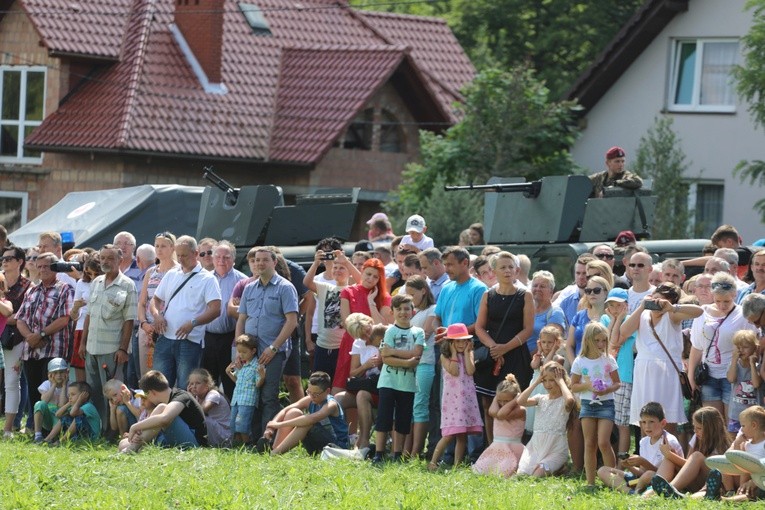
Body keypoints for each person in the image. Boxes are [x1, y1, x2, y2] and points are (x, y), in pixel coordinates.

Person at [621, 283, 703, 428]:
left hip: (667, 372)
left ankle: (669, 449)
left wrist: (672, 307)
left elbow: (699, 311)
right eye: (654, 298)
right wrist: (642, 306)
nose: (655, 303)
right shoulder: (643, 314)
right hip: (643, 370)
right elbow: (624, 331)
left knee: (667, 419)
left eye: (660, 300)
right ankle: (647, 450)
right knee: (644, 419)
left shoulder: (671, 315)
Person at [474, 251, 534, 445]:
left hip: (516, 355)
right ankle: (492, 446)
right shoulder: (488, 295)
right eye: (503, 267)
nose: (507, 271)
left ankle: (515, 446)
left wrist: (505, 348)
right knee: (488, 403)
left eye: (511, 267)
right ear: (494, 271)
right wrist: (493, 347)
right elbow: (479, 327)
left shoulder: (525, 295)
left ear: (516, 270)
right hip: (492, 356)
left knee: (512, 402)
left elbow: (528, 329)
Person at [151, 235, 222, 389]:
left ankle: (182, 413)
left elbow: (216, 309)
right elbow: (155, 300)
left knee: (187, 388)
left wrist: (193, 323)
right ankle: (160, 413)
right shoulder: (171, 274)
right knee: (158, 386)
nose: (181, 259)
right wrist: (157, 316)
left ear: (196, 254)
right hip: (165, 338)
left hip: (190, 341)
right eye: (179, 255)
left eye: (185, 255)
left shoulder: (208, 279)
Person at [80, 244, 138, 431]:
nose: (105, 262)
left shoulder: (128, 285)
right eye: (103, 258)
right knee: (94, 390)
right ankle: (97, 430)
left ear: (120, 260)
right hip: (91, 348)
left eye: (110, 258)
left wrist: (123, 348)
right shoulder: (96, 282)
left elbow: (129, 320)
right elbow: (89, 315)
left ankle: (112, 432)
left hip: (112, 350)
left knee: (113, 393)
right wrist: (82, 343)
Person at [689, 272, 757, 424]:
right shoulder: (702, 312)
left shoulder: (743, 314)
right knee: (712, 423)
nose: (722, 305)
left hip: (733, 376)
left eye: (726, 301)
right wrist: (691, 376)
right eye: (718, 300)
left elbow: (753, 342)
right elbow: (696, 347)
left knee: (731, 423)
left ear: (734, 294)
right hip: (708, 375)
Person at [16, 252, 74, 414]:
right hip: (31, 350)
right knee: (34, 391)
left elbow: (65, 318)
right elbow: (20, 319)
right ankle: (36, 428)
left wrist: (40, 335)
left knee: (51, 391)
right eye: (39, 266)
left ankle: (51, 429)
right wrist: (30, 337)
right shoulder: (32, 291)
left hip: (53, 349)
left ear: (55, 268)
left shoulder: (65, 289)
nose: (42, 270)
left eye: (46, 266)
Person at [371, 294, 424, 464]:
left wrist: (394, 352)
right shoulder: (390, 331)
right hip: (388, 382)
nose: (403, 312)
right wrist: (406, 361)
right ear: (392, 311)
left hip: (407, 384)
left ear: (412, 311)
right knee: (384, 417)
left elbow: (417, 354)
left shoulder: (418, 332)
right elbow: (385, 359)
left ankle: (397, 454)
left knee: (403, 420)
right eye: (399, 309)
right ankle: (379, 454)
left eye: (407, 308)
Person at [570, 322, 621, 489]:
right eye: (597, 340)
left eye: (603, 341)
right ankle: (590, 482)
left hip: (606, 404)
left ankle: (612, 480)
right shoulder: (580, 361)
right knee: (589, 443)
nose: (601, 344)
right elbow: (574, 385)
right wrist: (589, 386)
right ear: (588, 340)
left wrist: (606, 388)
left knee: (603, 442)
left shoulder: (608, 359)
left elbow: (617, 383)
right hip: (587, 404)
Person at [428, 323, 483, 470]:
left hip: (467, 400)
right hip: (452, 401)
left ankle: (457, 465)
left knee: (462, 435)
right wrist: (453, 354)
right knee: (449, 434)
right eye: (457, 341)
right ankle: (433, 462)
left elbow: (470, 371)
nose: (461, 344)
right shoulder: (444, 356)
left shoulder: (469, 353)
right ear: (450, 342)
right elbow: (455, 371)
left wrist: (466, 354)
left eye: (464, 340)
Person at [598, 402, 684, 494]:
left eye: (651, 422)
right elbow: (642, 471)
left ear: (663, 423)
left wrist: (643, 462)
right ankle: (631, 492)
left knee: (648, 475)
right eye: (644, 422)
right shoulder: (644, 442)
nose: (647, 426)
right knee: (603, 470)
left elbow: (664, 474)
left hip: (661, 480)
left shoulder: (668, 441)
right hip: (643, 478)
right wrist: (629, 466)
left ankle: (638, 491)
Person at [334, 258, 391, 393]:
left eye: (375, 277)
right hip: (351, 342)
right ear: (362, 271)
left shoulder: (384, 297)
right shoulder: (348, 291)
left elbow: (382, 326)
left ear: (379, 280)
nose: (370, 279)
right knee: (341, 386)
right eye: (368, 274)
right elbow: (347, 322)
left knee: (363, 389)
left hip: (374, 344)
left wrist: (371, 302)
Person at [303, 248, 360, 382]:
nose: (337, 270)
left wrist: (346, 261)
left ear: (349, 273)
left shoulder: (352, 290)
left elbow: (361, 280)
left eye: (342, 268)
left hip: (342, 346)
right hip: (322, 345)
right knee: (318, 382)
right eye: (335, 267)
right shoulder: (325, 287)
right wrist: (316, 263)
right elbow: (306, 282)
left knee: (338, 383)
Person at [259, 371, 348, 455]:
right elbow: (285, 410)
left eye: (316, 394)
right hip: (317, 443)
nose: (312, 397)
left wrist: (279, 425)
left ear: (327, 391)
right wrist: (270, 428)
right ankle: (274, 448)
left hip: (336, 447)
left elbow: (311, 419)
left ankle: (274, 454)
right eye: (309, 392)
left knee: (307, 423)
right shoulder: (310, 399)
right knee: (293, 412)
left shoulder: (331, 405)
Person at [650, 406, 731, 498]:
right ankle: (652, 492)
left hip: (711, 483)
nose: (695, 431)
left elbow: (718, 472)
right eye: (694, 427)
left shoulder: (722, 445)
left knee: (696, 456)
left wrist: (670, 455)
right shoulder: (696, 438)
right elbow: (688, 464)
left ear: (712, 428)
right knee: (669, 460)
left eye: (699, 428)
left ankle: (670, 490)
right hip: (694, 481)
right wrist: (671, 456)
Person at [120, 370, 208, 452]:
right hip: (174, 438)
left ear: (152, 392)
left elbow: (165, 418)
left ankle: (133, 449)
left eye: (146, 395)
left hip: (195, 444)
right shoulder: (169, 399)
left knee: (162, 408)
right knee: (123, 444)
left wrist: (135, 427)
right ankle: (135, 447)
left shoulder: (181, 396)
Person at [202, 241, 246, 400]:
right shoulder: (204, 279)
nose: (221, 260)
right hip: (206, 338)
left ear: (233, 259)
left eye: (226, 257)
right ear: (212, 259)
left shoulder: (243, 281)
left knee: (231, 381)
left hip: (231, 339)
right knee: (206, 382)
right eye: (218, 256)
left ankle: (231, 421)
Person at [517, 362, 577, 476]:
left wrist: (560, 381)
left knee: (537, 474)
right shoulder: (541, 398)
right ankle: (557, 470)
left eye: (552, 380)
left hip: (555, 449)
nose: (548, 384)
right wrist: (536, 382)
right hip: (536, 447)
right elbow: (520, 401)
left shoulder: (564, 399)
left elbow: (570, 401)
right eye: (545, 380)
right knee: (522, 473)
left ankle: (559, 466)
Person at [601, 287, 637, 457]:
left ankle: (622, 461)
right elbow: (605, 343)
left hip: (623, 376)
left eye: (619, 305)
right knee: (606, 421)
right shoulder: (605, 319)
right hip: (605, 376)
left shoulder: (630, 321)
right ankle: (608, 458)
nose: (615, 309)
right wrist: (614, 320)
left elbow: (615, 342)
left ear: (626, 306)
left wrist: (620, 318)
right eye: (612, 305)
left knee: (622, 424)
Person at [136, 232, 179, 379]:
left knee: (164, 375)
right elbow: (142, 303)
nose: (159, 249)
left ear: (173, 248)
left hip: (168, 330)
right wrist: (144, 324)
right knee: (147, 375)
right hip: (147, 329)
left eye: (163, 246)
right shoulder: (151, 272)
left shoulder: (179, 271)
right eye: (157, 246)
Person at [340, 315, 385, 450]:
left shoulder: (384, 333)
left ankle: (363, 439)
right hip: (368, 383)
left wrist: (381, 362)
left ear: (371, 322)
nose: (367, 335)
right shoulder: (359, 343)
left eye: (368, 330)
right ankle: (339, 438)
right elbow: (353, 373)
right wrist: (366, 365)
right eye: (362, 335)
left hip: (382, 384)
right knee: (336, 399)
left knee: (361, 395)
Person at [404, 275, 436, 457]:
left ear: (423, 290)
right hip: (410, 364)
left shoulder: (432, 309)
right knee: (410, 407)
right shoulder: (412, 312)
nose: (409, 298)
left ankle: (416, 450)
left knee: (420, 405)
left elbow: (424, 334)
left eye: (412, 294)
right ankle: (407, 449)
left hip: (424, 362)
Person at [1, 245, 31, 439]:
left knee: (12, 383)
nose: (4, 261)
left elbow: (23, 316)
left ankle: (8, 428)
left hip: (15, 340)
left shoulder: (28, 286)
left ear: (20, 262)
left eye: (8, 258)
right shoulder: (0, 282)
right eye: (2, 258)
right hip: (6, 335)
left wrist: (9, 317)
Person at [705, 406, 765, 501]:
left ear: (754, 425)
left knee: (751, 491)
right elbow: (736, 460)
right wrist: (737, 443)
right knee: (725, 465)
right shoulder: (746, 443)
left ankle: (723, 499)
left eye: (743, 426)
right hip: (742, 479)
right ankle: (730, 492)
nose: (742, 429)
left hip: (759, 480)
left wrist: (754, 481)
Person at [472, 374, 526, 477]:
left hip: (512, 448)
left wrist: (517, 400)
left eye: (506, 401)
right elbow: (491, 412)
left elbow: (501, 415)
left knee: (506, 471)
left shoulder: (520, 410)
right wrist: (498, 396)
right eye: (499, 400)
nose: (502, 403)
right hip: (497, 446)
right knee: (486, 470)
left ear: (515, 397)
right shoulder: (497, 408)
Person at [226, 334, 265, 446]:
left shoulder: (256, 366)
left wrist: (262, 377)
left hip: (247, 400)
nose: (240, 355)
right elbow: (237, 381)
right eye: (239, 352)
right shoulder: (243, 365)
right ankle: (237, 444)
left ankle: (247, 443)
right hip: (237, 399)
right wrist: (228, 372)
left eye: (244, 352)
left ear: (253, 351)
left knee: (242, 424)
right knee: (233, 423)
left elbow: (257, 385)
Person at [525, 325, 565, 433]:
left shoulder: (558, 359)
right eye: (543, 342)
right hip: (536, 388)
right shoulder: (538, 356)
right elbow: (534, 366)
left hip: (548, 390)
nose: (546, 345)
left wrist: (553, 351)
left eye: (550, 342)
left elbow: (547, 367)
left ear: (556, 343)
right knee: (533, 415)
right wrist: (538, 351)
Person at [566, 275, 611, 365]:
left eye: (596, 290)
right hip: (580, 370)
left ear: (606, 292)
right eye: (588, 291)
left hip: (604, 369)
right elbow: (569, 345)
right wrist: (575, 366)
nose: (592, 294)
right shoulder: (579, 316)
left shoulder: (611, 318)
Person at [70, 255, 100, 382]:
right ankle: (82, 400)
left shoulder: (106, 283)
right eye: (88, 273)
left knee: (97, 372)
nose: (92, 276)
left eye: (95, 273)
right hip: (81, 328)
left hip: (99, 329)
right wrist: (76, 307)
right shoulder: (81, 283)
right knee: (80, 372)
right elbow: (73, 316)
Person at [727, 330, 762, 434]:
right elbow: (731, 379)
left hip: (754, 416)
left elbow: (756, 384)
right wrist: (734, 360)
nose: (741, 350)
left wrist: (752, 364)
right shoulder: (734, 365)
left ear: (755, 348)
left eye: (745, 347)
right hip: (735, 415)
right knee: (734, 441)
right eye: (738, 347)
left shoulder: (758, 367)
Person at [187, 367, 231, 447]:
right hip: (214, 430)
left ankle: (198, 442)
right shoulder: (197, 397)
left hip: (224, 436)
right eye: (191, 383)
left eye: (197, 383)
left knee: (203, 419)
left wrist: (188, 397)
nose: (193, 386)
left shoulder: (213, 394)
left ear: (207, 385)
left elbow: (201, 411)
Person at [528, 271, 566, 357]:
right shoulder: (525, 309)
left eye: (542, 286)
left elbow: (551, 342)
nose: (538, 289)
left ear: (551, 291)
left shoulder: (555, 313)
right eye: (535, 285)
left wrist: (529, 358)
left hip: (540, 362)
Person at [32, 357, 69, 442]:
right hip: (48, 417)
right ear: (50, 374)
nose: (59, 375)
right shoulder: (46, 384)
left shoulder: (69, 386)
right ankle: (38, 435)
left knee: (60, 417)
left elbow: (62, 405)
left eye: (61, 372)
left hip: (60, 417)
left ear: (67, 373)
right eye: (55, 373)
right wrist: (54, 384)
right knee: (39, 404)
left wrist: (64, 386)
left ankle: (53, 438)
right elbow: (44, 400)